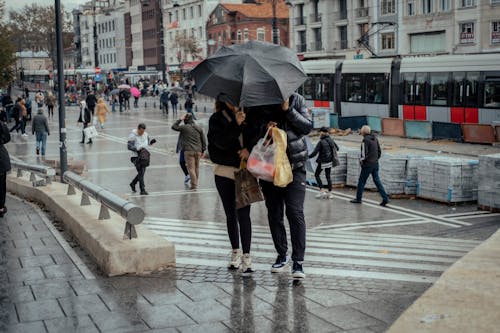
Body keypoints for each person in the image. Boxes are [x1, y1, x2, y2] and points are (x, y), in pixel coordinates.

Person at [246, 92, 312, 280]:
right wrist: (265, 131)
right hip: (269, 169)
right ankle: (282, 254)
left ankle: (298, 261)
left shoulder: (296, 100)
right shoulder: (258, 103)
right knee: (274, 213)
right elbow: (251, 134)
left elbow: (307, 127)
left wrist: (288, 110)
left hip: (295, 168)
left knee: (294, 212)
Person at [208, 97, 254, 273]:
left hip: (244, 171)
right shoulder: (217, 119)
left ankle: (247, 256)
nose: (234, 101)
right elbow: (220, 143)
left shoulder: (249, 115)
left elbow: (256, 137)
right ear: (224, 99)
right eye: (230, 98)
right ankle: (235, 252)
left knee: (244, 215)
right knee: (230, 214)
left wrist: (249, 149)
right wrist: (236, 123)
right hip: (224, 172)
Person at [350, 125, 389, 206]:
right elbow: (379, 151)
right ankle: (385, 198)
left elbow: (363, 154)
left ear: (363, 132)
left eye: (361, 130)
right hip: (375, 163)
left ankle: (358, 198)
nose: (360, 131)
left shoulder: (365, 140)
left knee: (361, 181)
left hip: (367, 164)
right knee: (377, 181)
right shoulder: (375, 139)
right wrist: (375, 160)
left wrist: (361, 162)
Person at [172, 113, 206, 190]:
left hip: (189, 151)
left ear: (185, 120)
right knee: (196, 167)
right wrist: (203, 150)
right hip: (198, 151)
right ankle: (195, 183)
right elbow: (203, 140)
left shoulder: (184, 127)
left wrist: (180, 119)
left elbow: (174, 127)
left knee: (191, 168)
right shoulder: (198, 128)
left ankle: (194, 185)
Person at [309, 127, 339, 199]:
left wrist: (307, 157)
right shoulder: (331, 140)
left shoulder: (321, 142)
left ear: (323, 132)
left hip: (323, 161)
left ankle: (322, 191)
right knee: (328, 176)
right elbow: (337, 148)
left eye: (320, 132)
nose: (319, 133)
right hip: (330, 161)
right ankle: (330, 193)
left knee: (316, 175)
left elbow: (314, 152)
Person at [127, 123, 156, 195]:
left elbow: (148, 143)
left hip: (144, 156)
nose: (142, 133)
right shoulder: (132, 135)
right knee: (141, 172)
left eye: (143, 131)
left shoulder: (146, 134)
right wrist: (137, 149)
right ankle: (142, 190)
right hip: (135, 157)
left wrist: (151, 142)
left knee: (141, 173)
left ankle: (133, 183)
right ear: (138, 129)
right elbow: (129, 146)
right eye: (141, 131)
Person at [0, 119, 11, 218]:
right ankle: (1, 207)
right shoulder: (1, 124)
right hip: (1, 158)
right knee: (1, 185)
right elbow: (7, 138)